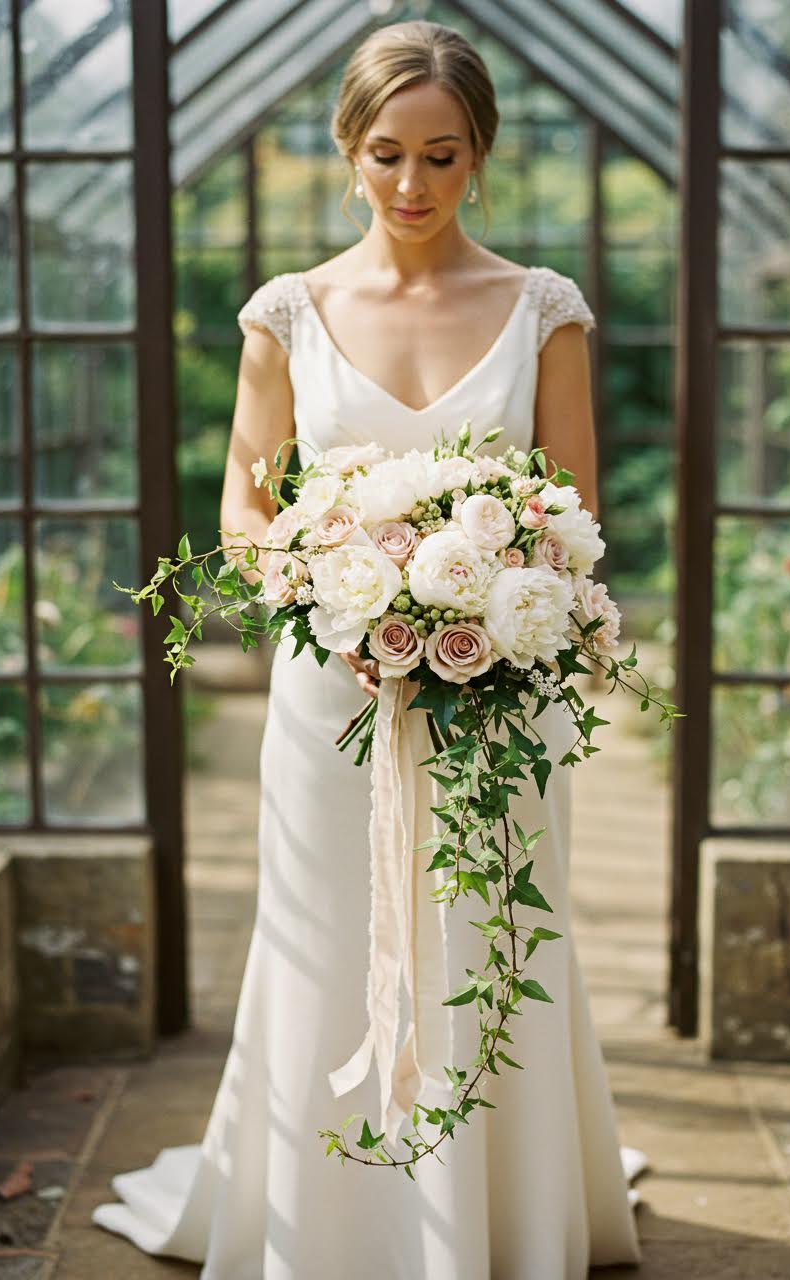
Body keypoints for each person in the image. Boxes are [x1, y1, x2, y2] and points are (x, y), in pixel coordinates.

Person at [91, 18, 647, 1278]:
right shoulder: (289, 312)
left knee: (490, 932)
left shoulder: (540, 310)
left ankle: (500, 1214)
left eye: (442, 156)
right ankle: (329, 1219)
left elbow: (572, 516)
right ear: (348, 149)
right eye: (387, 152)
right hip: (327, 692)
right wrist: (330, 588)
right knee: (329, 936)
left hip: (497, 695)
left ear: (478, 156)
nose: (412, 185)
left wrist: (478, 601)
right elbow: (243, 503)